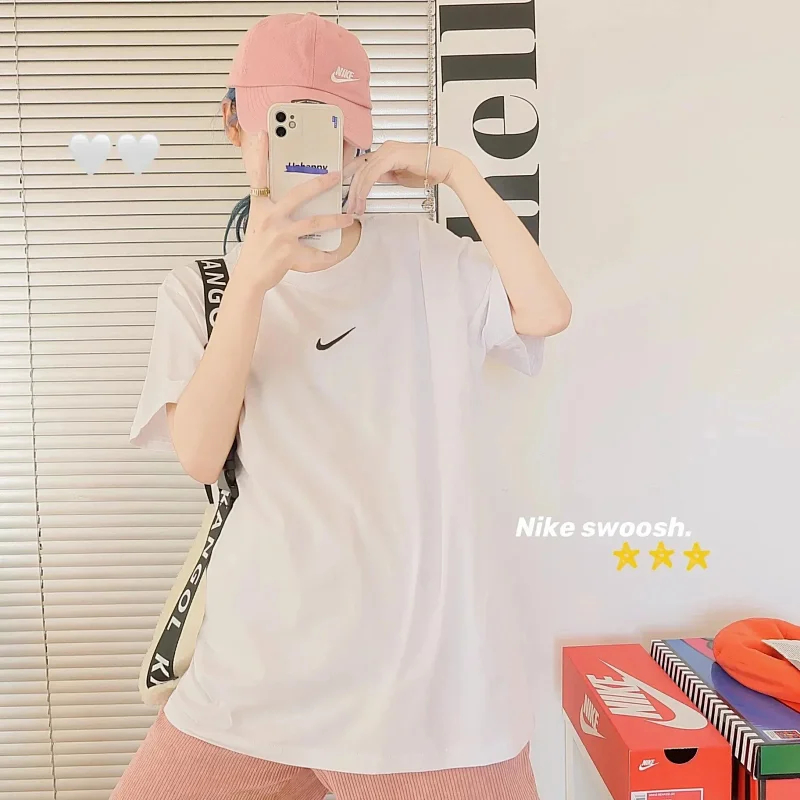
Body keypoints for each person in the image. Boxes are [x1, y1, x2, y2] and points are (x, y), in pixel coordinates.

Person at [114, 11, 570, 800]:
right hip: (255, 683)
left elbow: (546, 311)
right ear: (234, 123)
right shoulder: (204, 289)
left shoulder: (430, 261)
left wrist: (458, 172)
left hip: (433, 697)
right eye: (284, 129)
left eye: (337, 135)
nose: (313, 160)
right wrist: (251, 286)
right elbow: (199, 454)